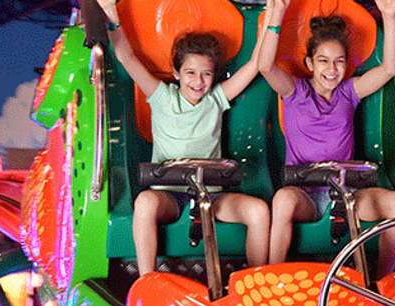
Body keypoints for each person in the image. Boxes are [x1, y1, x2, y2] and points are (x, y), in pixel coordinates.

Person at [96, 0, 271, 275]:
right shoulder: (161, 96)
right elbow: (127, 58)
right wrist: (111, 15)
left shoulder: (216, 99)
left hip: (211, 196)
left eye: (206, 74)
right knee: (144, 203)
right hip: (170, 195)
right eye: (190, 73)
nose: (198, 81)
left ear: (214, 77)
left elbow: (255, 66)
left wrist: (271, 17)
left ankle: (254, 282)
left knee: (258, 211)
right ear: (176, 73)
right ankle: (148, 280)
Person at [258, 0, 395, 272]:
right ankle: (273, 274)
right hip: (305, 195)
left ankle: (381, 279)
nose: (332, 69)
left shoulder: (349, 92)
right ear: (309, 63)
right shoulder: (295, 92)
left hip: (346, 193)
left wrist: (388, 15)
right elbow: (266, 67)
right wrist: (277, 14)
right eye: (324, 61)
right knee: (283, 199)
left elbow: (389, 69)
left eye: (339, 62)